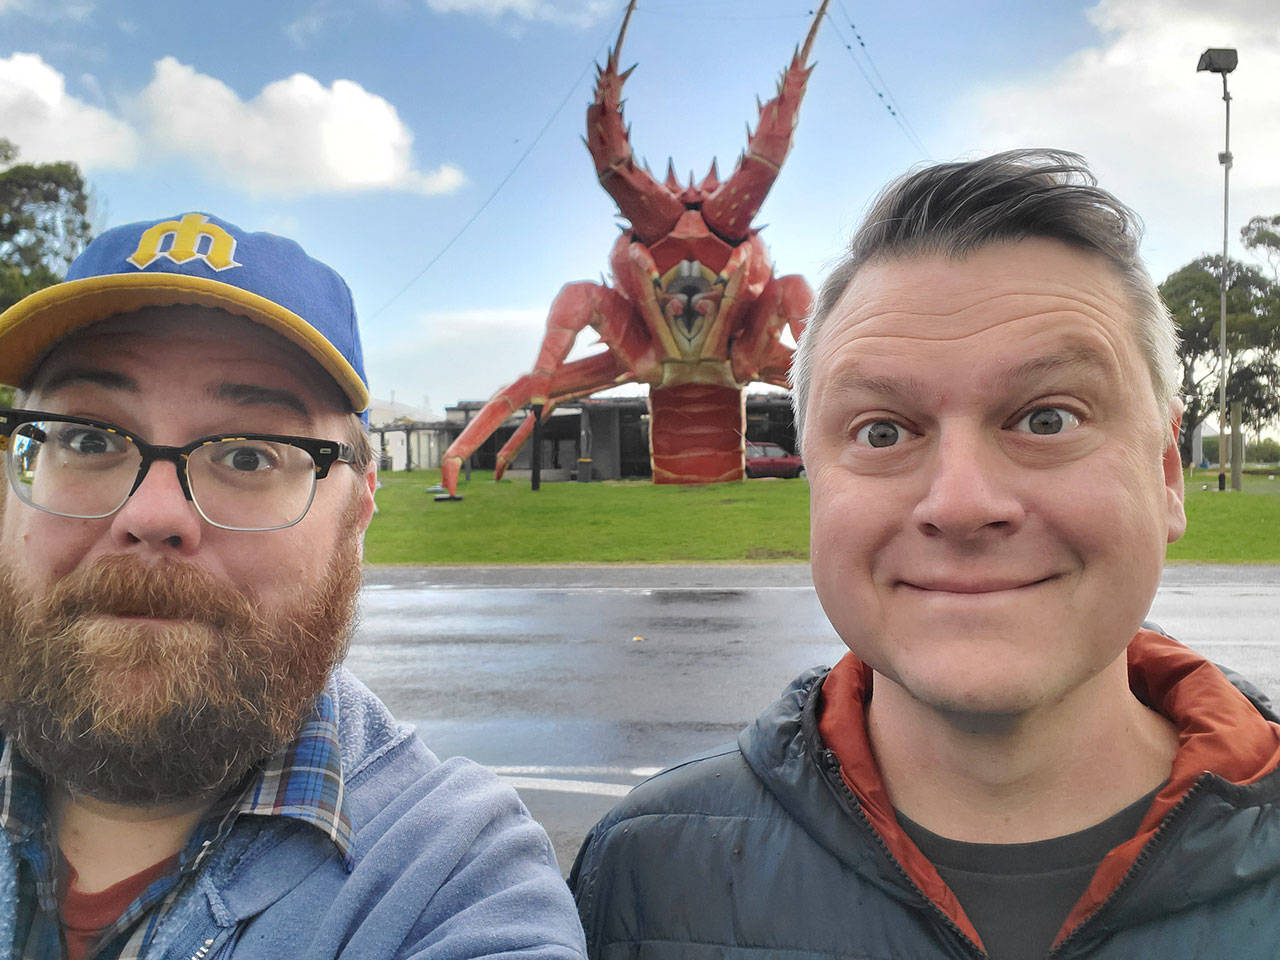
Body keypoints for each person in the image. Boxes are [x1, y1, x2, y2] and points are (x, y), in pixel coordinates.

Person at [569, 151, 1280, 959]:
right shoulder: (643, 879)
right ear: (814, 487)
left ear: (1166, 477)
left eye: (1047, 419)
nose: (961, 504)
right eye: (881, 431)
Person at [0, 213, 587, 960]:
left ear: (359, 510)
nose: (150, 515)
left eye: (248, 457)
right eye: (88, 440)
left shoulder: (452, 887)